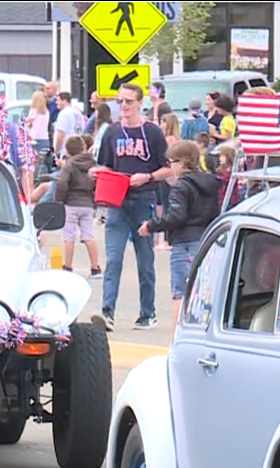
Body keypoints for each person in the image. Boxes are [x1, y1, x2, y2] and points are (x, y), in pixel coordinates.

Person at [90, 82, 171, 331]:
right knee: (113, 258)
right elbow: (107, 165)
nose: (123, 106)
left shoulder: (153, 133)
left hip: (144, 200)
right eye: (120, 101)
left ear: (139, 103)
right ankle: (108, 312)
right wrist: (98, 172)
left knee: (145, 260)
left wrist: (146, 177)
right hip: (117, 201)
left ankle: (148, 312)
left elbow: (167, 168)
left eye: (128, 102)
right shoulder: (112, 133)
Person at [138, 140, 221, 331]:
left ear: (182, 162)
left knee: (180, 295)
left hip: (184, 242)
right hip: (206, 241)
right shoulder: (209, 183)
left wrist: (151, 226)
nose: (170, 167)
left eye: (172, 162)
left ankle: (177, 340)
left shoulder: (182, 185)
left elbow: (176, 216)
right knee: (203, 294)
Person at [54, 135, 102, 279]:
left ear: (68, 151)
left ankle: (68, 266)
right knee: (88, 235)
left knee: (69, 236)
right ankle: (95, 268)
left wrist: (60, 199)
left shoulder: (70, 165)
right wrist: (94, 201)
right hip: (87, 204)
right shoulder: (93, 164)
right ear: (83, 148)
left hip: (71, 203)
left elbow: (61, 183)